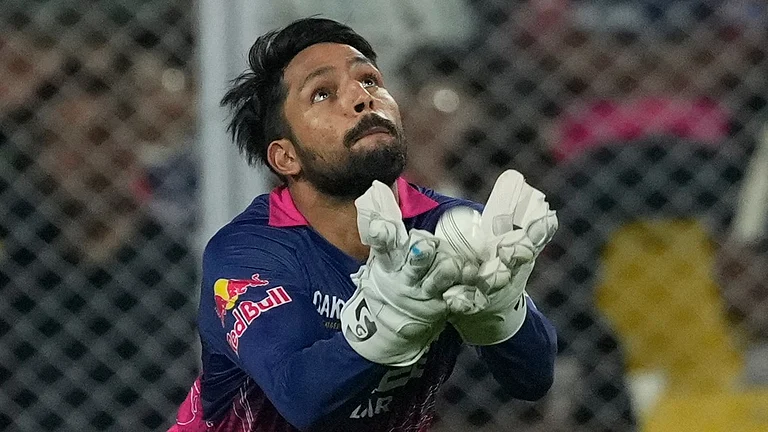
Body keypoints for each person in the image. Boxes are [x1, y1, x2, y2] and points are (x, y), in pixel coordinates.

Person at [169, 17, 558, 432]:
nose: (361, 97)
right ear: (285, 157)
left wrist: (500, 311)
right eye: (321, 94)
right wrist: (391, 320)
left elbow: (533, 381)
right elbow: (301, 399)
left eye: (370, 81)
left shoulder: (450, 228)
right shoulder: (250, 252)